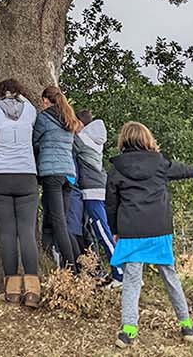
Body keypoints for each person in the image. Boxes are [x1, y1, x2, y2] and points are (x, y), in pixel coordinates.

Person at [107, 121, 193, 347]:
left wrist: (115, 230)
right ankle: (187, 326)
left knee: (132, 280)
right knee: (170, 276)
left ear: (124, 140)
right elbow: (179, 170)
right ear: (146, 139)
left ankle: (128, 331)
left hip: (131, 231)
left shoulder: (116, 168)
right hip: (158, 229)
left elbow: (110, 204)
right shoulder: (159, 162)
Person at [0, 79, 41, 306]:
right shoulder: (30, 110)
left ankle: (12, 289)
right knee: (26, 232)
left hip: (0, 175)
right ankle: (33, 290)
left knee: (7, 232)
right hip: (26, 175)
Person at [33, 84, 81, 270]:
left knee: (58, 222)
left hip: (52, 174)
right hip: (69, 175)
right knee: (59, 221)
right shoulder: (69, 119)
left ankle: (71, 269)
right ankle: (61, 262)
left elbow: (34, 142)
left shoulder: (44, 118)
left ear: (46, 100)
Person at [75, 109, 121, 285]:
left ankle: (121, 273)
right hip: (98, 188)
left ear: (81, 124)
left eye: (75, 124)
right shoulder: (94, 139)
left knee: (103, 233)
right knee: (101, 232)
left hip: (92, 191)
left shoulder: (82, 140)